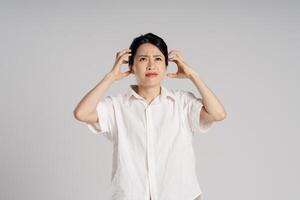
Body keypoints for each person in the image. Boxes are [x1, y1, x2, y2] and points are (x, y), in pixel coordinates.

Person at [73, 33, 226, 200]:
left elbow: (217, 113)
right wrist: (110, 77)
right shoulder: (117, 106)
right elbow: (82, 113)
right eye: (143, 59)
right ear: (131, 66)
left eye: (158, 59)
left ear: (167, 65)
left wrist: (193, 76)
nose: (151, 65)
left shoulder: (182, 102)